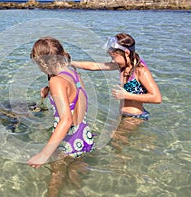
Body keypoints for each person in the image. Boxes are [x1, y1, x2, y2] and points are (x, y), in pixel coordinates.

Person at [27, 36, 95, 196]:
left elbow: (66, 120)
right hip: (84, 136)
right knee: (76, 182)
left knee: (55, 181)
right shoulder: (73, 73)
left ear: (42, 63)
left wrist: (44, 155)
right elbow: (77, 98)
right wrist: (49, 90)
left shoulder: (56, 82)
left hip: (68, 142)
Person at [71, 33, 162, 151]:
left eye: (114, 57)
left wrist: (126, 95)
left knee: (116, 141)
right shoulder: (122, 66)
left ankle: (120, 167)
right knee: (114, 141)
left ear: (127, 53)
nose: (112, 60)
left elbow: (157, 98)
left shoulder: (140, 70)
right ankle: (120, 165)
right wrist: (71, 63)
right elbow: (95, 66)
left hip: (134, 116)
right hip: (122, 115)